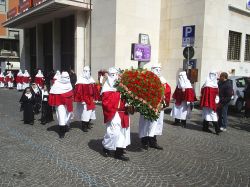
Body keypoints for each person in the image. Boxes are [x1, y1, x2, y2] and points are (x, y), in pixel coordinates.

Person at [139, 63, 171, 150]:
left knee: (156, 124)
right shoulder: (146, 79)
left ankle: (153, 141)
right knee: (146, 123)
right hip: (148, 106)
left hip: (158, 106)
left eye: (159, 69)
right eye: (156, 69)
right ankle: (144, 141)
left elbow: (167, 90)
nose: (158, 71)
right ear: (152, 69)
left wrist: (164, 101)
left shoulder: (163, 80)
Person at [101, 67, 130, 161]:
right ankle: (106, 147)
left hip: (123, 112)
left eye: (116, 75)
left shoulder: (122, 86)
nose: (115, 77)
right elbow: (106, 102)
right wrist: (119, 94)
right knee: (113, 132)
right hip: (114, 113)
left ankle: (119, 152)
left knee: (123, 133)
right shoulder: (106, 88)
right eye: (112, 75)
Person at [49, 71, 73, 138]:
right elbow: (53, 93)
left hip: (68, 103)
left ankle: (66, 126)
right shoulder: (57, 84)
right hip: (60, 104)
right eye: (66, 77)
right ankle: (61, 132)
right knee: (62, 117)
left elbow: (71, 93)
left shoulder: (69, 83)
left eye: (68, 77)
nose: (67, 79)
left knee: (68, 116)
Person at [74, 66, 98, 132]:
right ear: (84, 71)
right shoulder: (80, 80)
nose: (88, 72)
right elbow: (78, 91)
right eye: (86, 71)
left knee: (91, 113)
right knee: (85, 113)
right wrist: (82, 100)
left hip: (91, 99)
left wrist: (95, 97)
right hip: (84, 100)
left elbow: (94, 89)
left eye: (89, 71)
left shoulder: (91, 79)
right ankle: (83, 126)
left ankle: (87, 124)